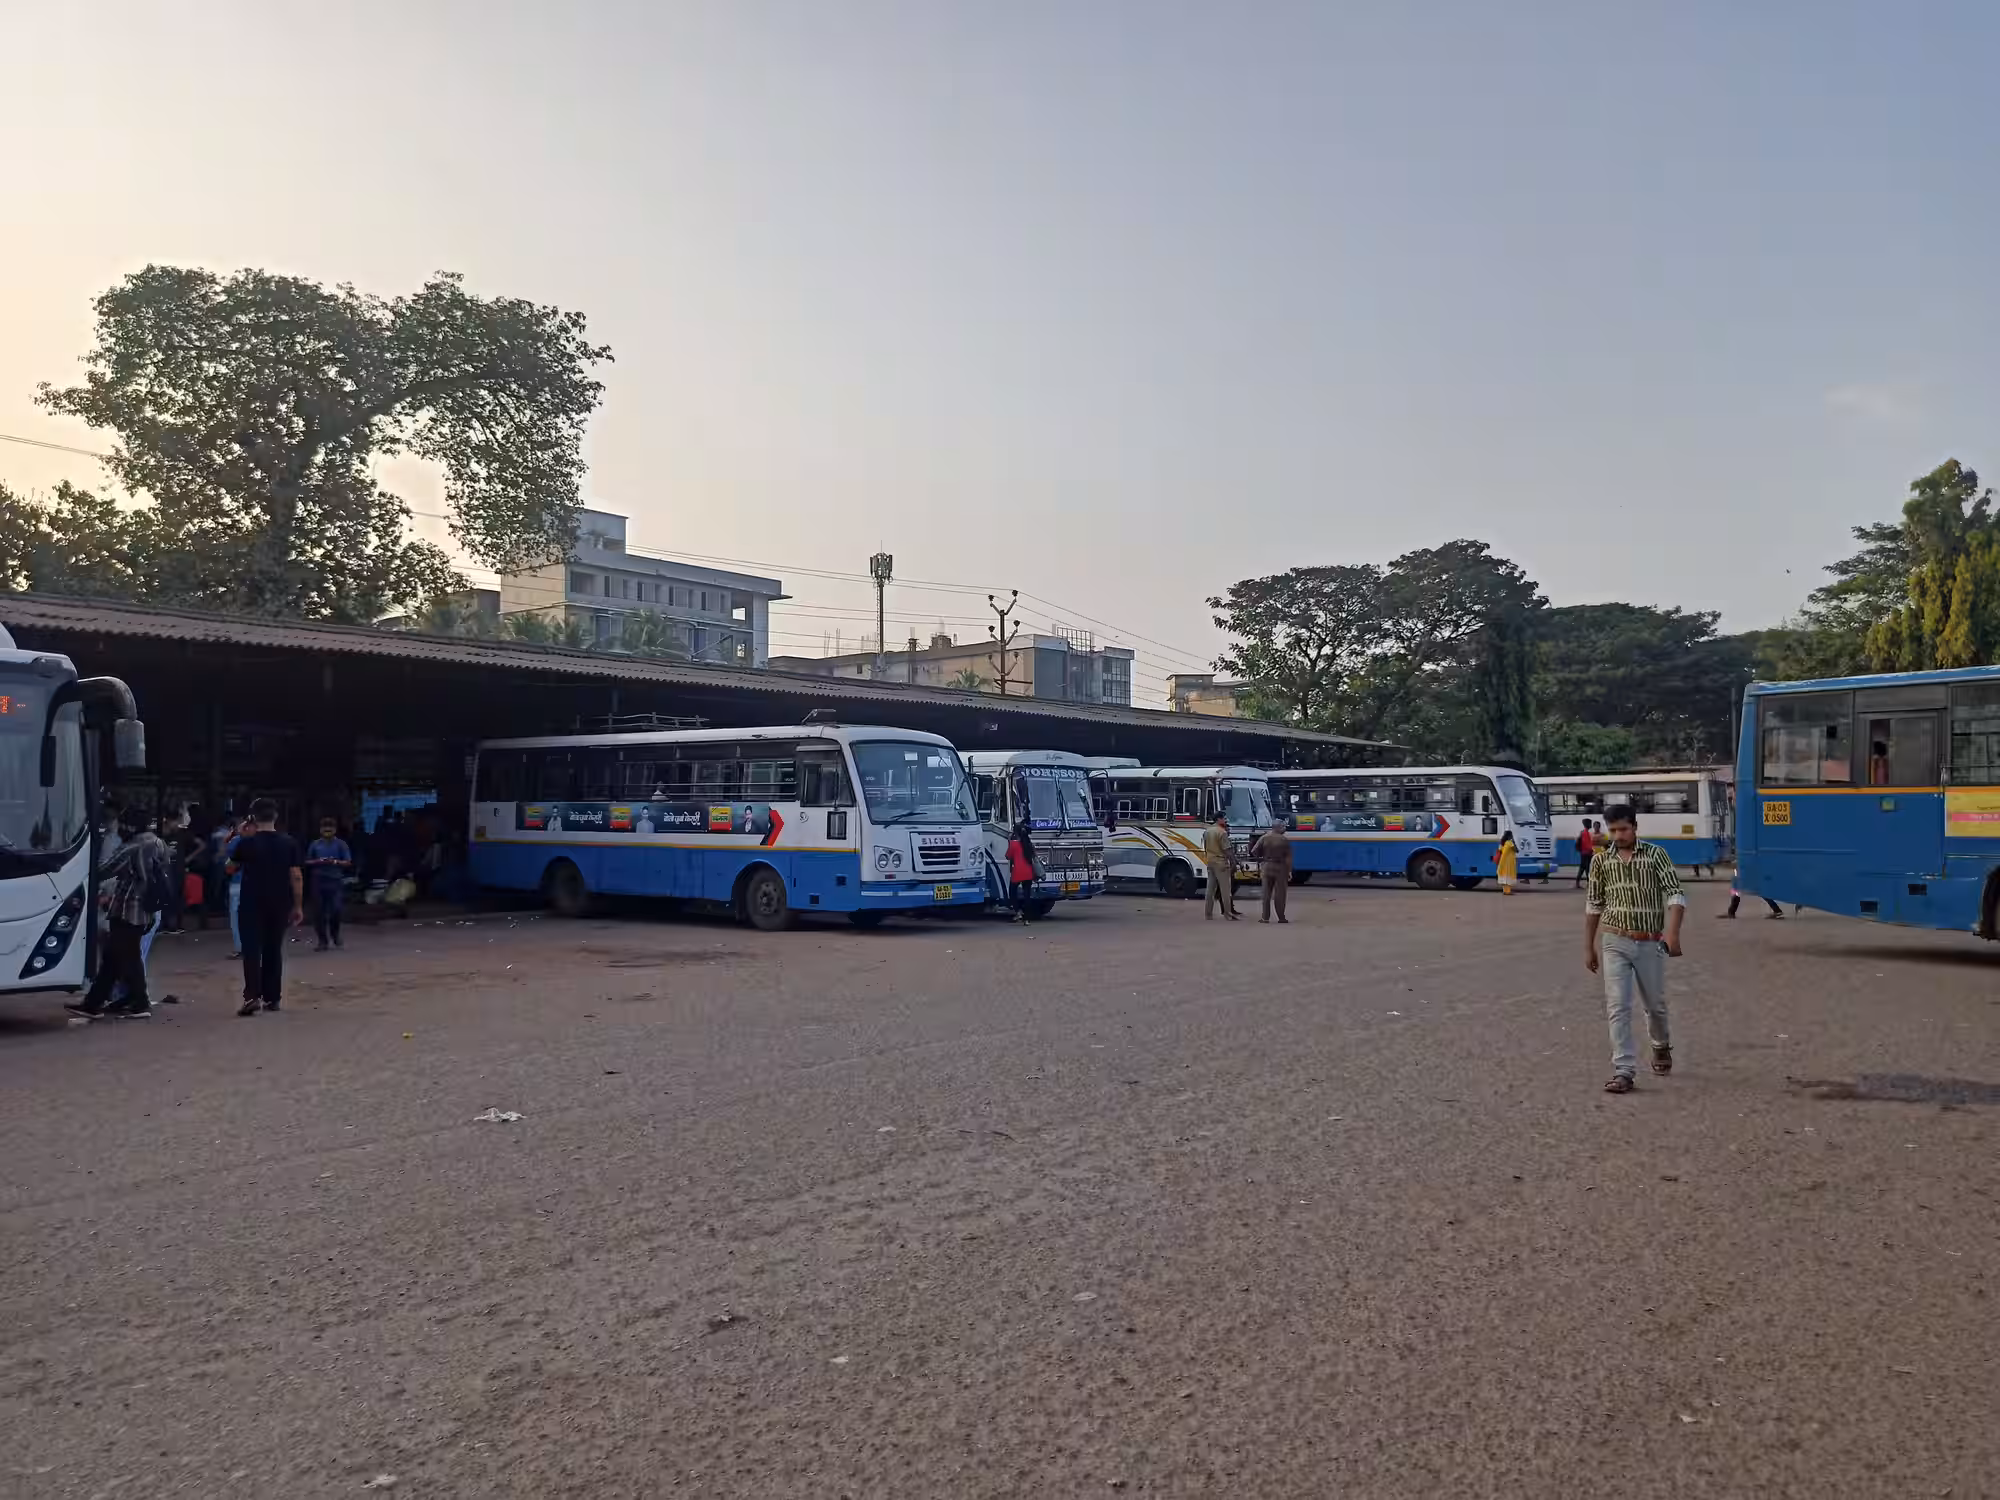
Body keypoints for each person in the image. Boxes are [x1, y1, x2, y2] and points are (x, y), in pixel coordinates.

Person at [1584, 803, 1686, 1095]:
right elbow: (1594, 905)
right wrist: (1588, 947)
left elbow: (1675, 894)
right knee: (1618, 1006)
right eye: (1613, 830)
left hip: (1649, 942)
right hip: (1614, 940)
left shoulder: (1655, 855)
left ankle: (1660, 1045)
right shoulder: (1601, 862)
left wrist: (1673, 933)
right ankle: (1624, 1070)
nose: (1618, 835)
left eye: (1623, 829)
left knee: (1655, 1005)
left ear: (1635, 827)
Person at [66, 810, 169, 1019]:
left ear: (129, 827)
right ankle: (94, 1003)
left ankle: (139, 1003)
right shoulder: (158, 843)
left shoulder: (132, 847)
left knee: (128, 957)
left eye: (122, 825)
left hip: (127, 908)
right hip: (147, 908)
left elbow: (104, 870)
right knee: (113, 958)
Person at [232, 798, 303, 1016]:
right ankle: (273, 998)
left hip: (251, 903)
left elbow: (230, 868)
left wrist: (240, 837)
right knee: (273, 948)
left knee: (252, 950)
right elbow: (296, 876)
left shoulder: (246, 843)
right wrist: (298, 905)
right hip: (280, 902)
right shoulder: (289, 843)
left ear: (252, 818)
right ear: (276, 817)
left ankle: (252, 996)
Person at [306, 817, 354, 950]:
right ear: (320, 830)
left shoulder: (341, 844)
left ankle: (335, 934)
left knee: (336, 910)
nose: (327, 831)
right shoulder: (315, 844)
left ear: (335, 830)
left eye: (330, 828)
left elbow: (348, 862)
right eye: (325, 828)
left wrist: (334, 862)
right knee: (318, 912)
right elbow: (307, 861)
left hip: (335, 881)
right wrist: (318, 861)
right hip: (318, 881)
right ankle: (322, 940)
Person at [1250, 818, 1292, 923]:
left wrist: (1261, 859)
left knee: (1266, 894)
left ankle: (1265, 918)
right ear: (1277, 827)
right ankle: (1281, 917)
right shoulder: (1284, 840)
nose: (1284, 829)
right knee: (1280, 894)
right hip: (1280, 867)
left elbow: (1254, 851)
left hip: (1267, 866)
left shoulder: (1264, 837)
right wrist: (1289, 871)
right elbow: (1288, 858)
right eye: (1283, 826)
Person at [224, 816, 254, 958]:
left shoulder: (235, 842)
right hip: (256, 884)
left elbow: (229, 865)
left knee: (236, 918)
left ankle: (241, 947)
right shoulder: (262, 841)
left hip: (238, 883)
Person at [1202, 815, 1239, 920]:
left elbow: (1205, 847)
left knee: (1210, 890)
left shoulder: (1207, 831)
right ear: (1218, 819)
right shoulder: (1222, 832)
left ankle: (1208, 914)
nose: (1226, 820)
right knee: (1226, 891)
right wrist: (1233, 863)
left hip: (1210, 861)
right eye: (1224, 818)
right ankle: (1228, 914)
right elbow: (1227, 850)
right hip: (1221, 863)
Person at [1005, 819, 1037, 923]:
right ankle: (1027, 919)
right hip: (1028, 872)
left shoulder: (1014, 844)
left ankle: (1018, 912)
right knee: (1027, 895)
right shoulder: (1028, 843)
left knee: (1012, 892)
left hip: (1017, 872)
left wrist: (1010, 842)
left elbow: (1007, 856)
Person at [1573, 819, 1597, 890]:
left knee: (1583, 868)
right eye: (1590, 823)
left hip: (1584, 853)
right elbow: (1586, 844)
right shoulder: (1585, 833)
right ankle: (1588, 883)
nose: (1591, 825)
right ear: (1587, 824)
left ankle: (1579, 883)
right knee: (1586, 868)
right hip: (1586, 853)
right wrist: (1591, 850)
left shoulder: (1584, 832)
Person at [1497, 830, 1519, 895]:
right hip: (1509, 862)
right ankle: (1508, 891)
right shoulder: (1510, 843)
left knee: (1504, 876)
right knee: (1508, 876)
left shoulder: (1502, 843)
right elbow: (1517, 850)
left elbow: (1500, 851)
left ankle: (1505, 891)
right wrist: (1513, 842)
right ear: (1510, 836)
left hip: (1503, 861)